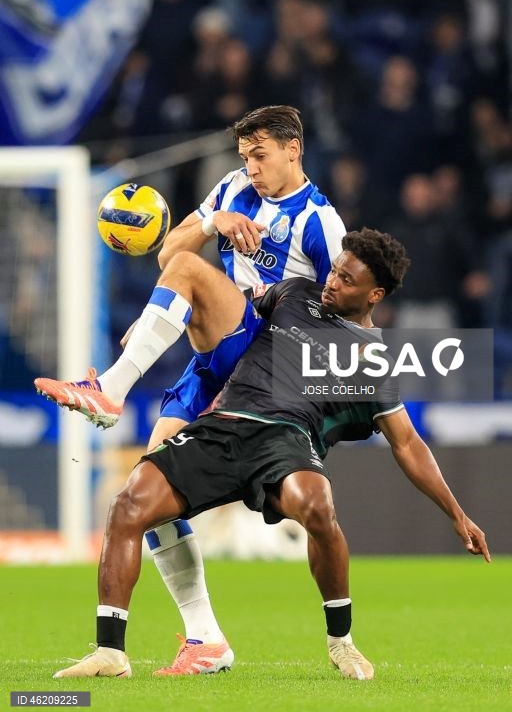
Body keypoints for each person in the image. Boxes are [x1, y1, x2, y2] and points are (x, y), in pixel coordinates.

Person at [52, 229, 490, 681]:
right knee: (128, 505)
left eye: (346, 279)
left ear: (374, 294)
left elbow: (408, 444)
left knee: (318, 506)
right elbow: (216, 307)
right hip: (222, 428)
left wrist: (457, 515)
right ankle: (110, 652)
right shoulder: (294, 292)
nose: (332, 282)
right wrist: (155, 321)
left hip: (286, 441)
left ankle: (341, 642)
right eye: (335, 270)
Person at [35, 105, 346, 674]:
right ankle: (205, 639)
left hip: (268, 357)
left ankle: (110, 387)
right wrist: (213, 225)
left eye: (260, 155)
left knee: (189, 272)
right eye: (244, 156)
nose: (250, 167)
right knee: (145, 495)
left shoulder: (321, 222)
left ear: (293, 149)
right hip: (213, 365)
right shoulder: (232, 190)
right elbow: (167, 253)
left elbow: (338, 314)